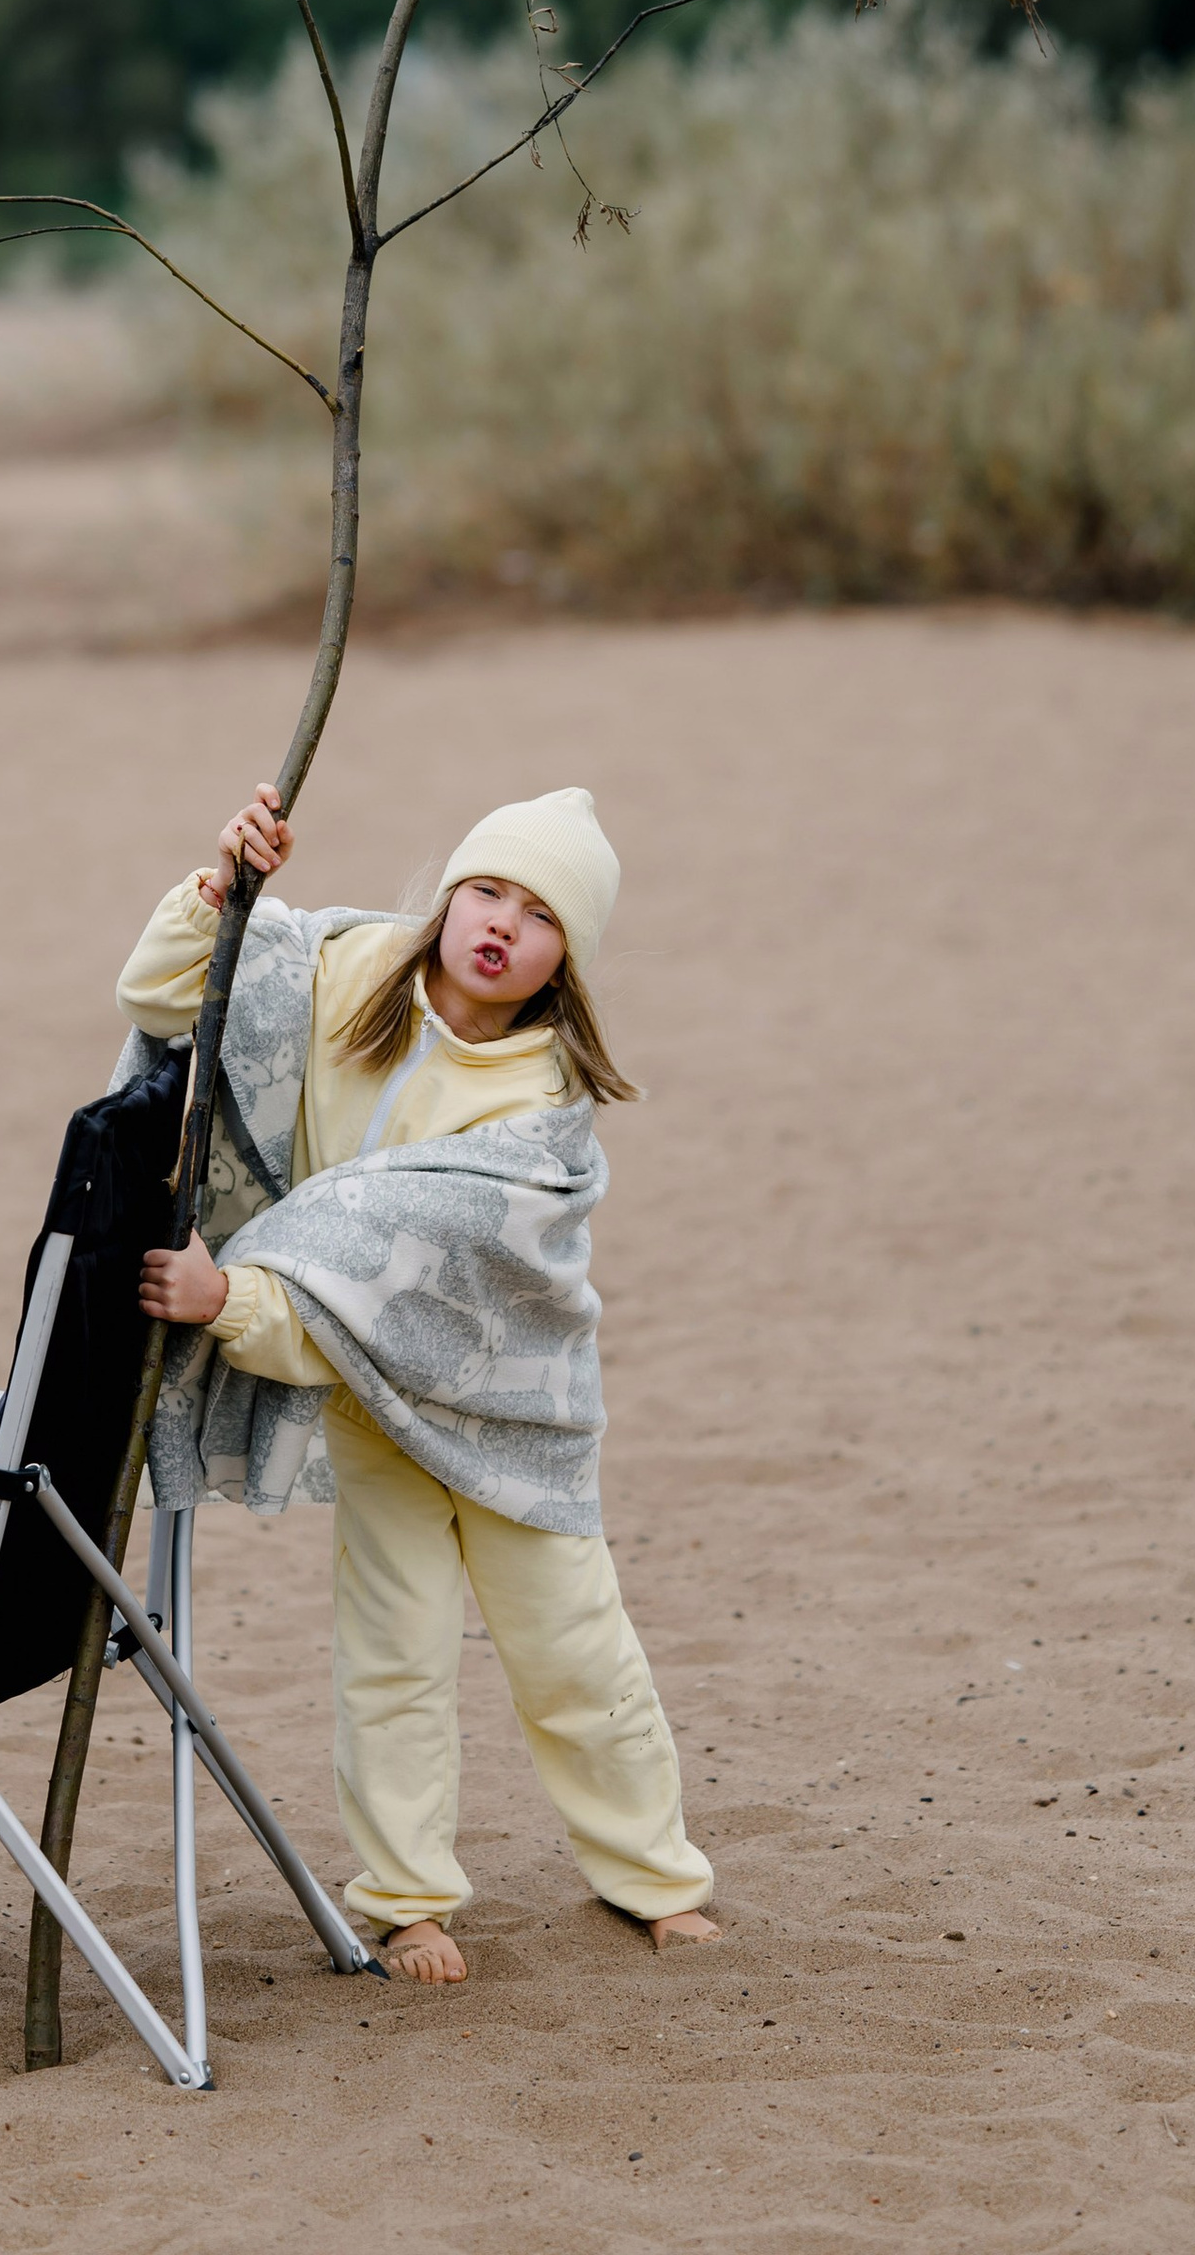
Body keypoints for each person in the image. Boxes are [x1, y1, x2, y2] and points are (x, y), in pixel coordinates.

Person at [126, 778, 719, 1985]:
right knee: (391, 1648)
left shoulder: (542, 1102)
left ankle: (651, 1876)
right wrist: (222, 889)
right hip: (367, 1398)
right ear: (449, 897)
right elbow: (163, 993)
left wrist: (231, 1298)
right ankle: (407, 1896)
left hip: (511, 1411)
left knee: (572, 1645)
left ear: (567, 958)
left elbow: (396, 1252)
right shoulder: (347, 978)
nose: (502, 922)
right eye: (487, 889)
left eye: (541, 914)